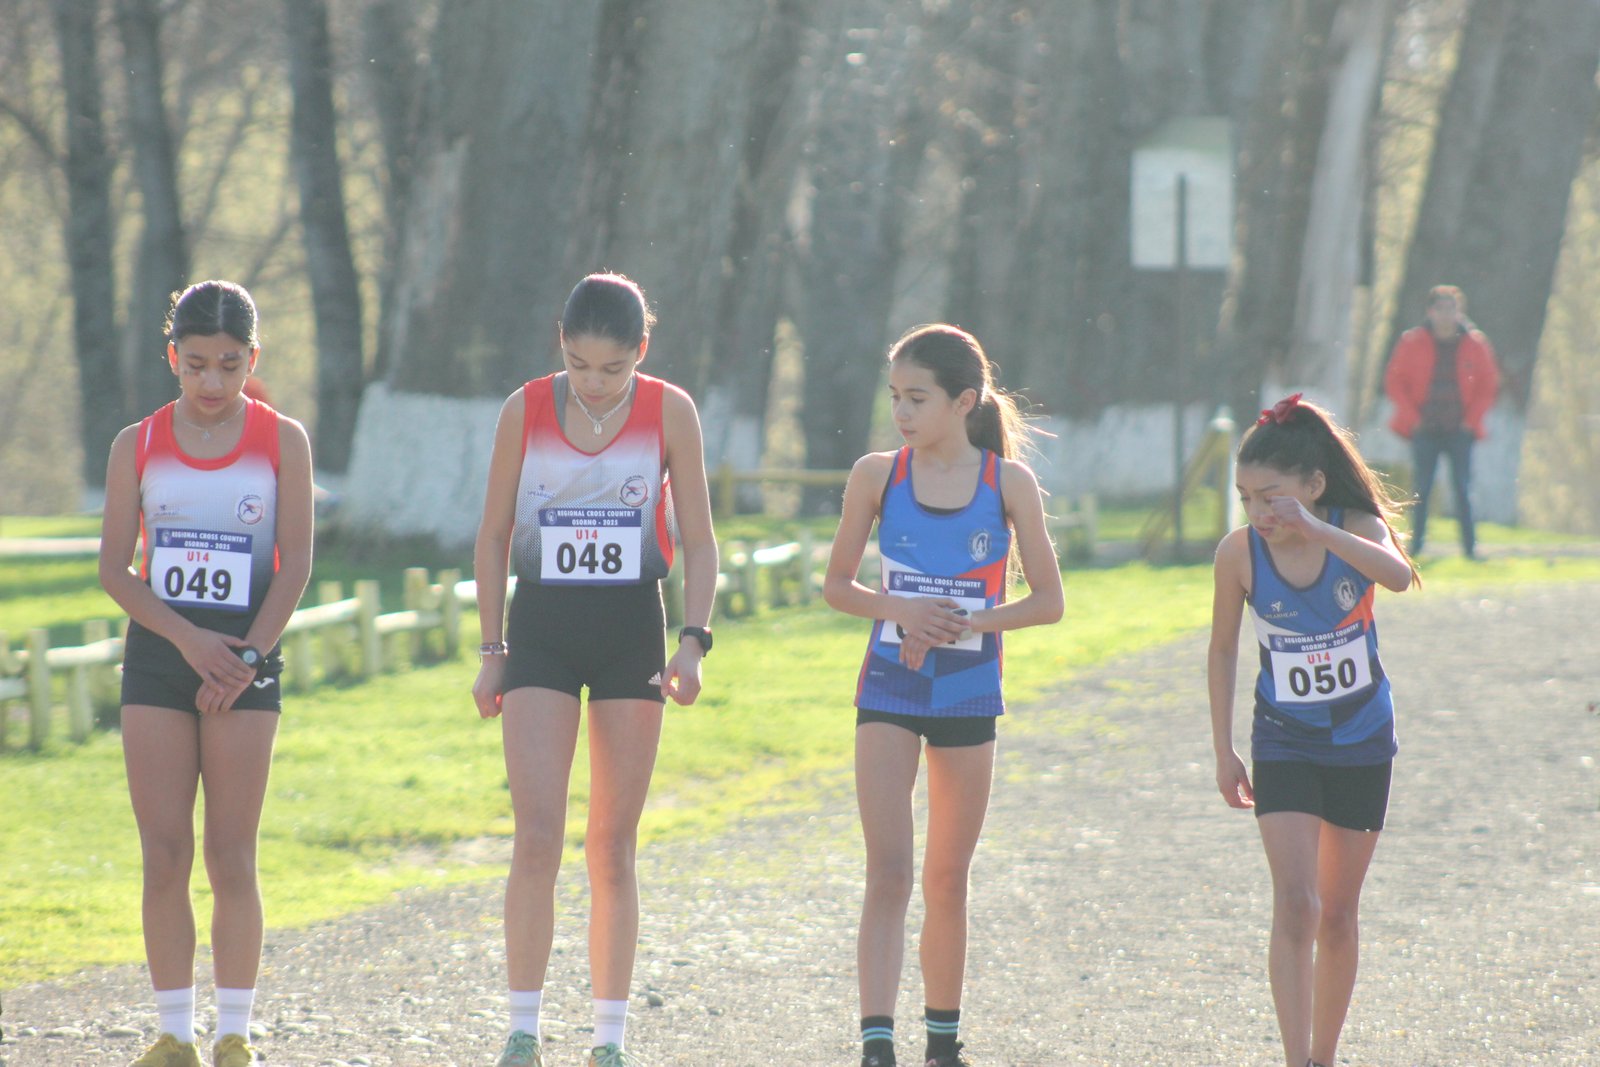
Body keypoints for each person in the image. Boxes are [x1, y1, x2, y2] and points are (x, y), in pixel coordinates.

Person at [472, 273, 718, 1067]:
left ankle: (608, 1039)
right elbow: (493, 534)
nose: (595, 382)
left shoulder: (670, 411)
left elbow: (701, 540)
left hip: (630, 631)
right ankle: (522, 1031)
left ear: (641, 351)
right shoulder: (526, 408)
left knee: (612, 844)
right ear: (561, 344)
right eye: (579, 364)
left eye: (614, 368)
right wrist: (490, 651)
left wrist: (693, 641)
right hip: (541, 629)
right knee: (536, 836)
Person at [823, 324, 1064, 1067]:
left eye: (917, 398)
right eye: (895, 395)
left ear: (964, 402)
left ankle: (941, 1043)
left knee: (946, 878)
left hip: (967, 692)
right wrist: (902, 609)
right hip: (889, 686)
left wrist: (966, 621)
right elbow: (837, 587)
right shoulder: (876, 475)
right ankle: (876, 1043)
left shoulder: (1008, 484)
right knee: (889, 871)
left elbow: (1049, 601)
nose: (901, 412)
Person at [99, 281, 315, 1067]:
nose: (213, 381)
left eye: (229, 364)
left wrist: (246, 656)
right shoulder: (138, 443)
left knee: (231, 853)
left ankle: (233, 1033)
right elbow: (115, 570)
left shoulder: (283, 439)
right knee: (165, 852)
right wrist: (190, 641)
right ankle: (174, 1033)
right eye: (196, 365)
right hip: (164, 656)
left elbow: (296, 565)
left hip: (247, 659)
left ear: (253, 358)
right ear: (172, 358)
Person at [1207, 393, 1419, 1067]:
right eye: (1246, 499)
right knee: (1297, 903)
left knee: (1337, 912)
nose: (1260, 513)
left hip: (1362, 737)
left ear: (1315, 486)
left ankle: (1323, 1055)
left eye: (1273, 497)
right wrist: (1223, 749)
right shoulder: (1240, 554)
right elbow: (1221, 649)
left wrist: (1322, 532)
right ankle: (1295, 1058)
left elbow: (1398, 576)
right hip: (1284, 738)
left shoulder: (1355, 528)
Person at [1382, 284, 1500, 559]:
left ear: (1460, 311)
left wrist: (1471, 421)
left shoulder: (1475, 344)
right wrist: (1413, 419)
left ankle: (1470, 548)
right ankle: (1416, 546)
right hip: (1425, 429)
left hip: (1461, 430)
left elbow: (1488, 385)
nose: (1446, 315)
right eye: (1440, 308)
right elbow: (1394, 382)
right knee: (1422, 488)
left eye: (1451, 308)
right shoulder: (1412, 342)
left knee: (1463, 487)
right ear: (1430, 311)